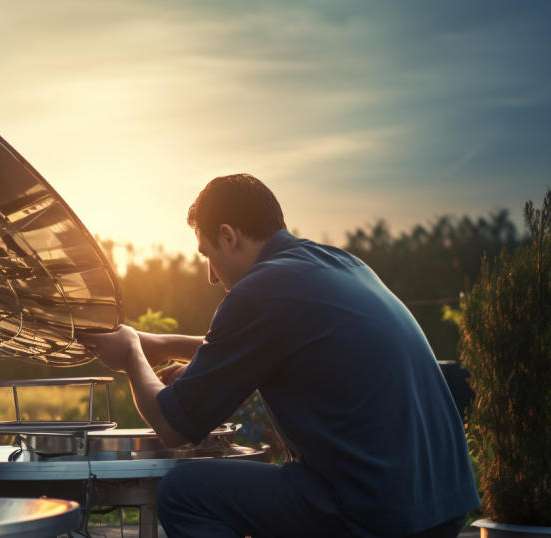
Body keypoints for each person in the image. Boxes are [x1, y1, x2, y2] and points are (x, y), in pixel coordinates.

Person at [78, 174, 479, 538]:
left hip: (373, 511)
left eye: (207, 255)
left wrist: (132, 354)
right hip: (441, 507)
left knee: (185, 493)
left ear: (228, 236)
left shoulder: (259, 290)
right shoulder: (333, 262)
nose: (212, 277)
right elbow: (272, 345)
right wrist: (161, 344)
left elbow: (172, 424)